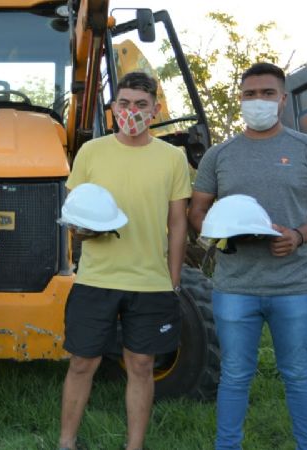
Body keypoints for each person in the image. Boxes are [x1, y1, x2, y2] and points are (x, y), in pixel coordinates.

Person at [188, 62, 307, 450]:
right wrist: (220, 234)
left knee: (298, 374)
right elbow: (197, 211)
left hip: (295, 287)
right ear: (240, 100)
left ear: (283, 99)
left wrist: (299, 235)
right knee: (235, 375)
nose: (257, 101)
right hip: (234, 287)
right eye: (249, 94)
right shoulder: (219, 155)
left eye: (267, 93)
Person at [58, 71, 191, 450]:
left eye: (141, 105)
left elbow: (178, 221)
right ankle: (66, 443)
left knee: (142, 365)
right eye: (124, 103)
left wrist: (174, 278)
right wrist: (81, 233)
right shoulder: (91, 151)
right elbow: (74, 214)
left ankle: (134, 446)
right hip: (96, 279)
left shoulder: (172, 157)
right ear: (113, 107)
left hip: (150, 282)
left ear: (155, 109)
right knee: (82, 363)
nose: (131, 111)